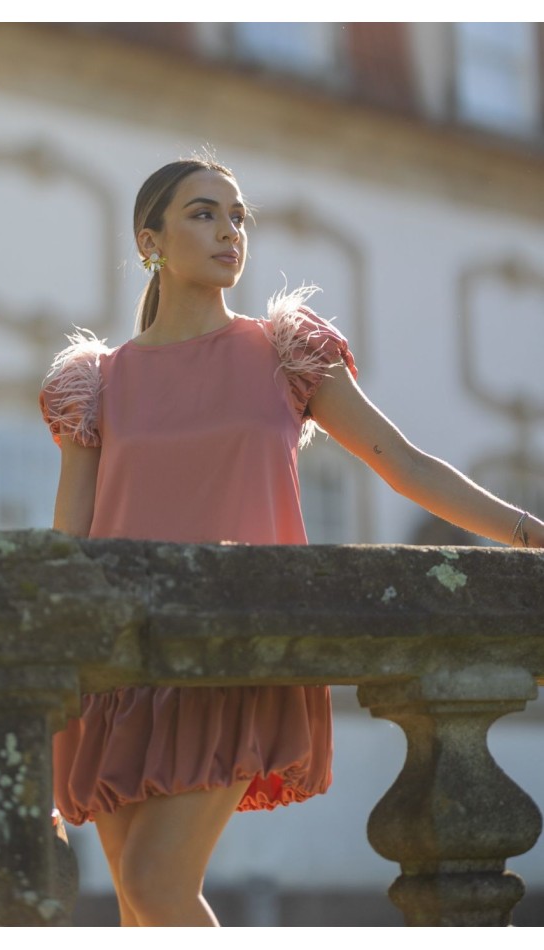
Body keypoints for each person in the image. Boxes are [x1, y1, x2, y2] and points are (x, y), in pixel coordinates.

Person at [40, 155, 544, 927]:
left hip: (235, 652)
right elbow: (67, 545)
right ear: (151, 241)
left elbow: (400, 462)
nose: (230, 231)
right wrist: (43, 699)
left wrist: (529, 533)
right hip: (117, 670)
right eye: (204, 213)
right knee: (138, 908)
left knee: (153, 884)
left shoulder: (284, 352)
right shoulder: (96, 383)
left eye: (239, 216)